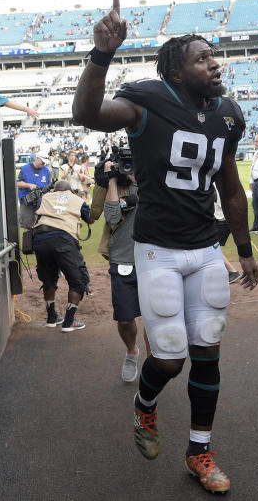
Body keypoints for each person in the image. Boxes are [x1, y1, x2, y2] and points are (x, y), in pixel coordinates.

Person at [72, 0, 258, 494]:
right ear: (176, 73)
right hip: (156, 248)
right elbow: (86, 114)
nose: (213, 63)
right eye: (201, 58)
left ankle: (200, 450)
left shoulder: (230, 114)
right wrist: (101, 55)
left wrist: (243, 248)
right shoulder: (149, 99)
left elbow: (231, 186)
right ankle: (146, 406)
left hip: (205, 248)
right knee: (170, 357)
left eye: (212, 54)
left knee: (209, 351)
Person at [89, 160, 150, 380]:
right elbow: (113, 217)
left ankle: (153, 364)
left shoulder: (151, 179)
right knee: (125, 318)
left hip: (154, 259)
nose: (127, 166)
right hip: (123, 259)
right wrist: (112, 180)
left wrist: (138, 180)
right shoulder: (112, 186)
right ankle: (132, 351)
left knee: (156, 316)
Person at [33, 180, 94, 332]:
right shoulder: (77, 199)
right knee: (78, 280)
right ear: (70, 191)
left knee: (48, 279)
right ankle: (69, 322)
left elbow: (38, 208)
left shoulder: (45, 197)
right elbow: (90, 219)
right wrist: (81, 200)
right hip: (64, 239)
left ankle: (51, 317)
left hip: (40, 238)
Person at [16, 152, 51, 231]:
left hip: (41, 201)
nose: (43, 163)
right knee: (27, 226)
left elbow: (48, 186)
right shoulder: (25, 168)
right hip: (26, 201)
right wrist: (29, 185)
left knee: (44, 226)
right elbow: (18, 183)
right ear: (37, 158)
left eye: (45, 162)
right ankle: (28, 242)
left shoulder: (47, 171)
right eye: (42, 161)